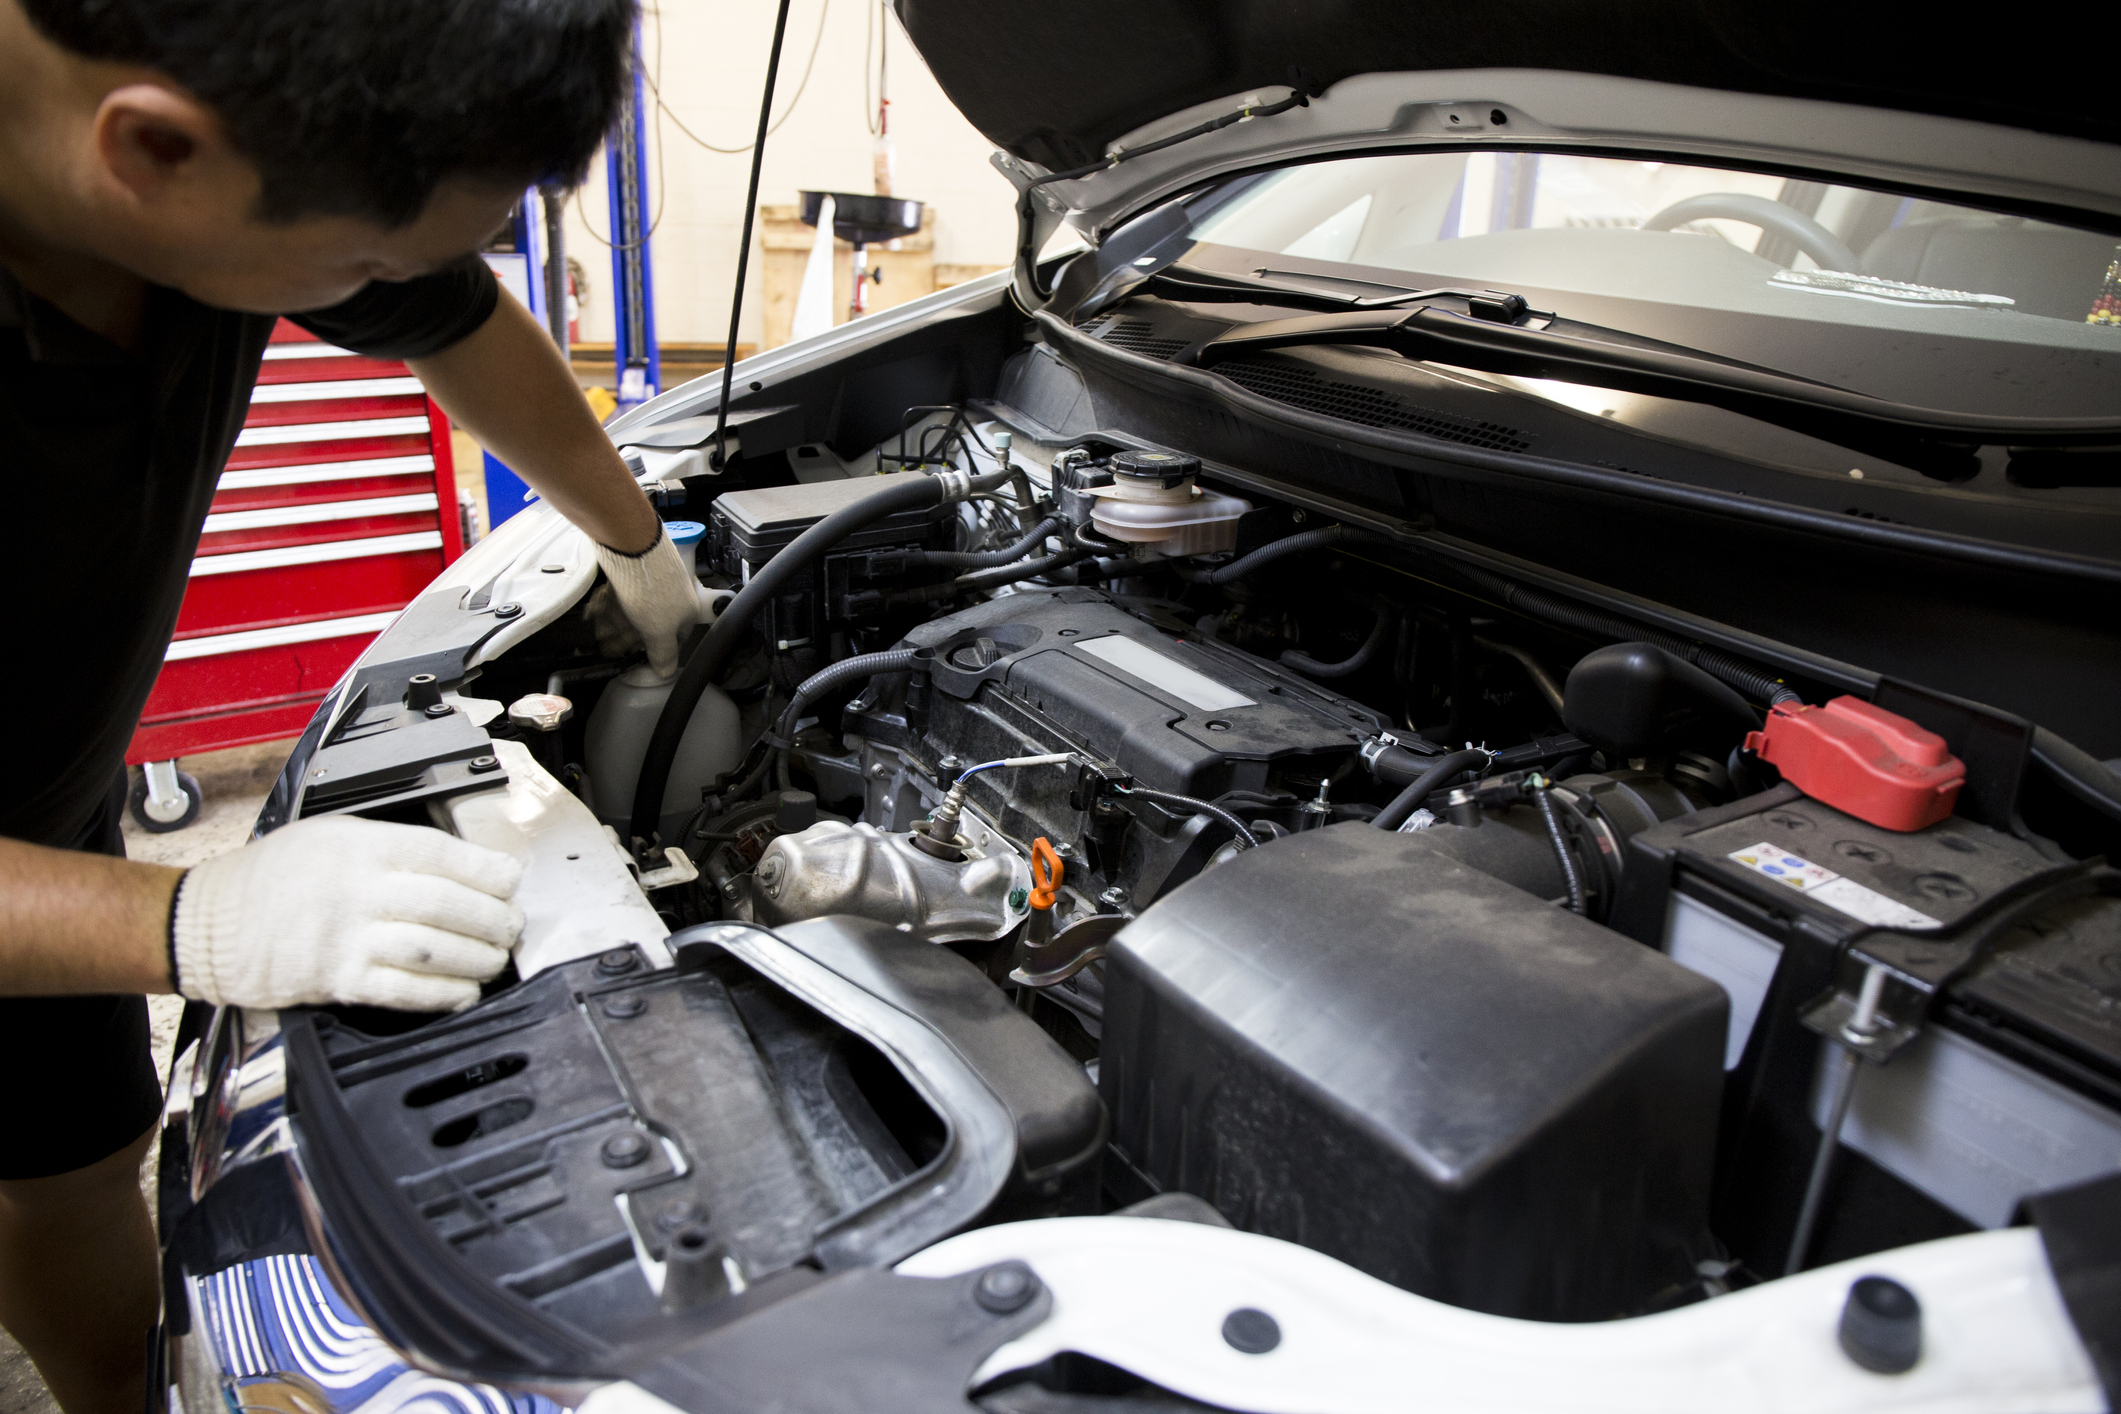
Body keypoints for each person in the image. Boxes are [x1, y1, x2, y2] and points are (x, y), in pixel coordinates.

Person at [0, 1, 703, 1409]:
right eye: (370, 257)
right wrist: (192, 919)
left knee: (66, 1158)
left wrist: (634, 544)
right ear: (147, 151)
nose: (392, 283)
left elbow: (457, 324)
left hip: (48, 804)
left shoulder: (229, 136)